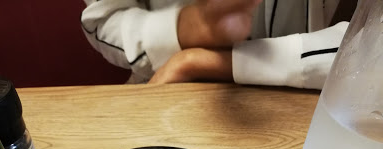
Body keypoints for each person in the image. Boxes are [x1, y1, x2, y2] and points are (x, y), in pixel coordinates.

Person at [81, 0, 356, 89]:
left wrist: (195, 62)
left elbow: (370, 50)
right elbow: (103, 19)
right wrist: (186, 27)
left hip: (307, 96)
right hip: (163, 87)